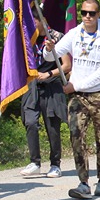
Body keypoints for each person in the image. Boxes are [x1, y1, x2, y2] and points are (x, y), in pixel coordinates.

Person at [44, 0, 100, 199]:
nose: (87, 17)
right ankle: (83, 182)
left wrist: (75, 85)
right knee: (76, 135)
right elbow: (51, 57)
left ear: (98, 15)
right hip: (78, 97)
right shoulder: (74, 34)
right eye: (84, 12)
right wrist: (49, 48)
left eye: (91, 13)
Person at [19, 23, 68, 179]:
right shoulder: (25, 39)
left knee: (52, 126)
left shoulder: (57, 36)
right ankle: (35, 162)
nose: (31, 24)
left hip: (51, 84)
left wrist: (48, 74)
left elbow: (66, 65)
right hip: (31, 85)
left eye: (34, 20)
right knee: (30, 122)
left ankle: (55, 164)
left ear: (42, 20)